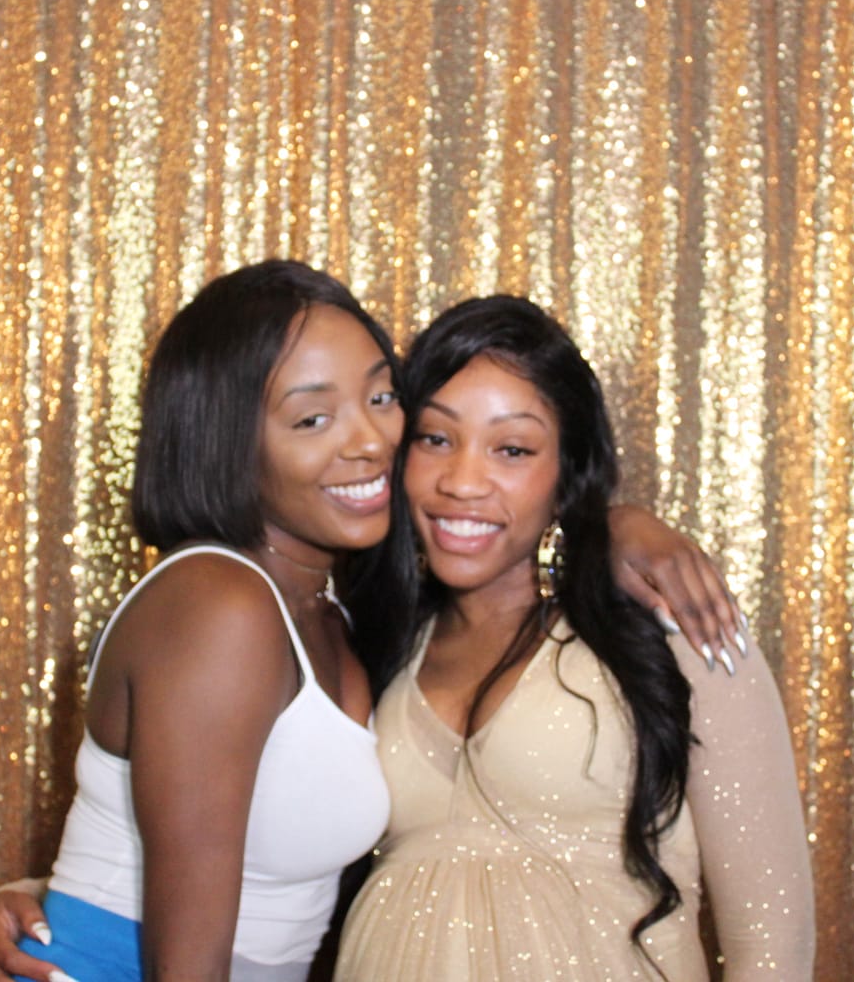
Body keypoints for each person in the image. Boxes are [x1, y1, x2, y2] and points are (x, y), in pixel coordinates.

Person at [0, 265, 750, 982]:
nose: (372, 441)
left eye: (381, 399)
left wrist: (606, 526)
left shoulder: (346, 617)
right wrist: (57, 911)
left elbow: (242, 851)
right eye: (313, 418)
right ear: (227, 440)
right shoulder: (221, 602)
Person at [333, 296, 814, 980]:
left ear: (567, 475)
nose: (462, 482)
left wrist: (612, 526)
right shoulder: (376, 643)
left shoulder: (671, 621)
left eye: (512, 449)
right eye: (436, 438)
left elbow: (773, 944)